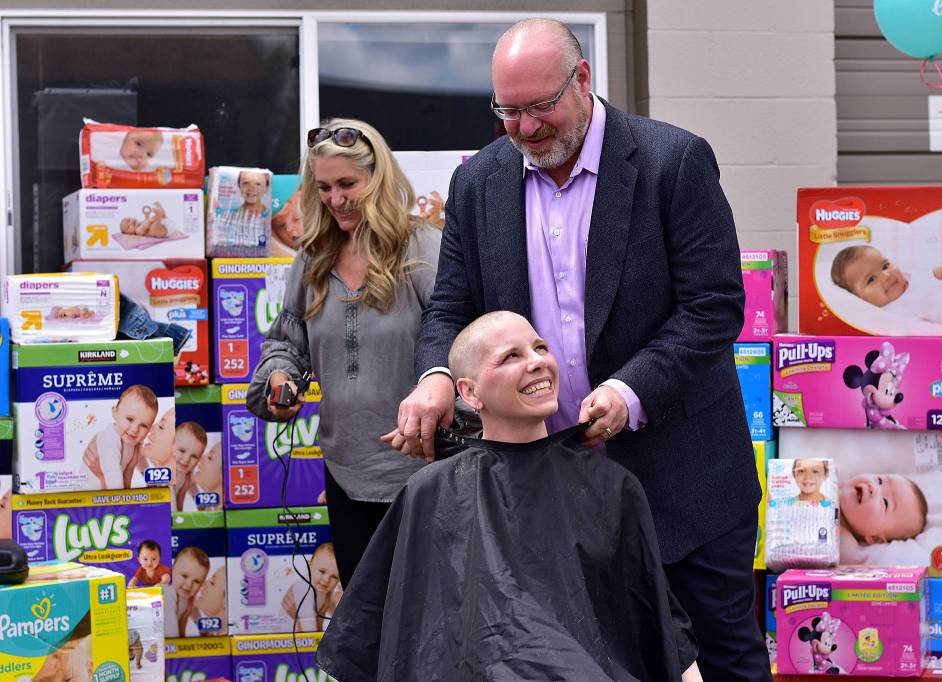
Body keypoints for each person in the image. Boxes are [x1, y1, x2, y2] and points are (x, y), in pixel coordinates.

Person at [391, 19, 766, 679]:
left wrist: (630, 392)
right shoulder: (480, 182)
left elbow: (714, 306)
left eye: (541, 107)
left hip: (684, 482)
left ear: (583, 78)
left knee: (719, 660)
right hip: (551, 493)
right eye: (508, 111)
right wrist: (436, 377)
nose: (525, 128)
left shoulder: (670, 162)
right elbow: (452, 306)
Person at [319, 311, 702, 681]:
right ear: (469, 392)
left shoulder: (610, 486)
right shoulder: (431, 493)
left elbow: (657, 618)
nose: (536, 362)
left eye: (540, 348)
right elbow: (378, 633)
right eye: (511, 357)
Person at [246, 118, 441, 587]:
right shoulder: (312, 259)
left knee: (424, 623)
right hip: (346, 472)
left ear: (379, 178)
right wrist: (280, 377)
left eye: (348, 184)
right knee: (366, 630)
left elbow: (459, 341)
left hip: (423, 474)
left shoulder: (421, 248)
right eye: (325, 187)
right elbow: (286, 343)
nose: (336, 199)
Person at [830, 244, 942, 322]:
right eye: (871, 279)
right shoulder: (886, 315)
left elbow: (937, 273)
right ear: (859, 299)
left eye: (885, 266)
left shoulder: (911, 277)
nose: (886, 275)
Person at [81, 384, 159, 490]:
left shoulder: (135, 441)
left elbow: (140, 460)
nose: (135, 429)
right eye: (130, 419)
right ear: (115, 412)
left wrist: (149, 480)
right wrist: (120, 497)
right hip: (89, 490)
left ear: (149, 429)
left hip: (107, 487)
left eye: (144, 426)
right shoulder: (109, 437)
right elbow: (113, 473)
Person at [838, 472, 927, 550]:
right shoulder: (834, 475)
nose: (873, 488)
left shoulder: (843, 541)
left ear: (876, 538)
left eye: (885, 503)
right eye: (880, 481)